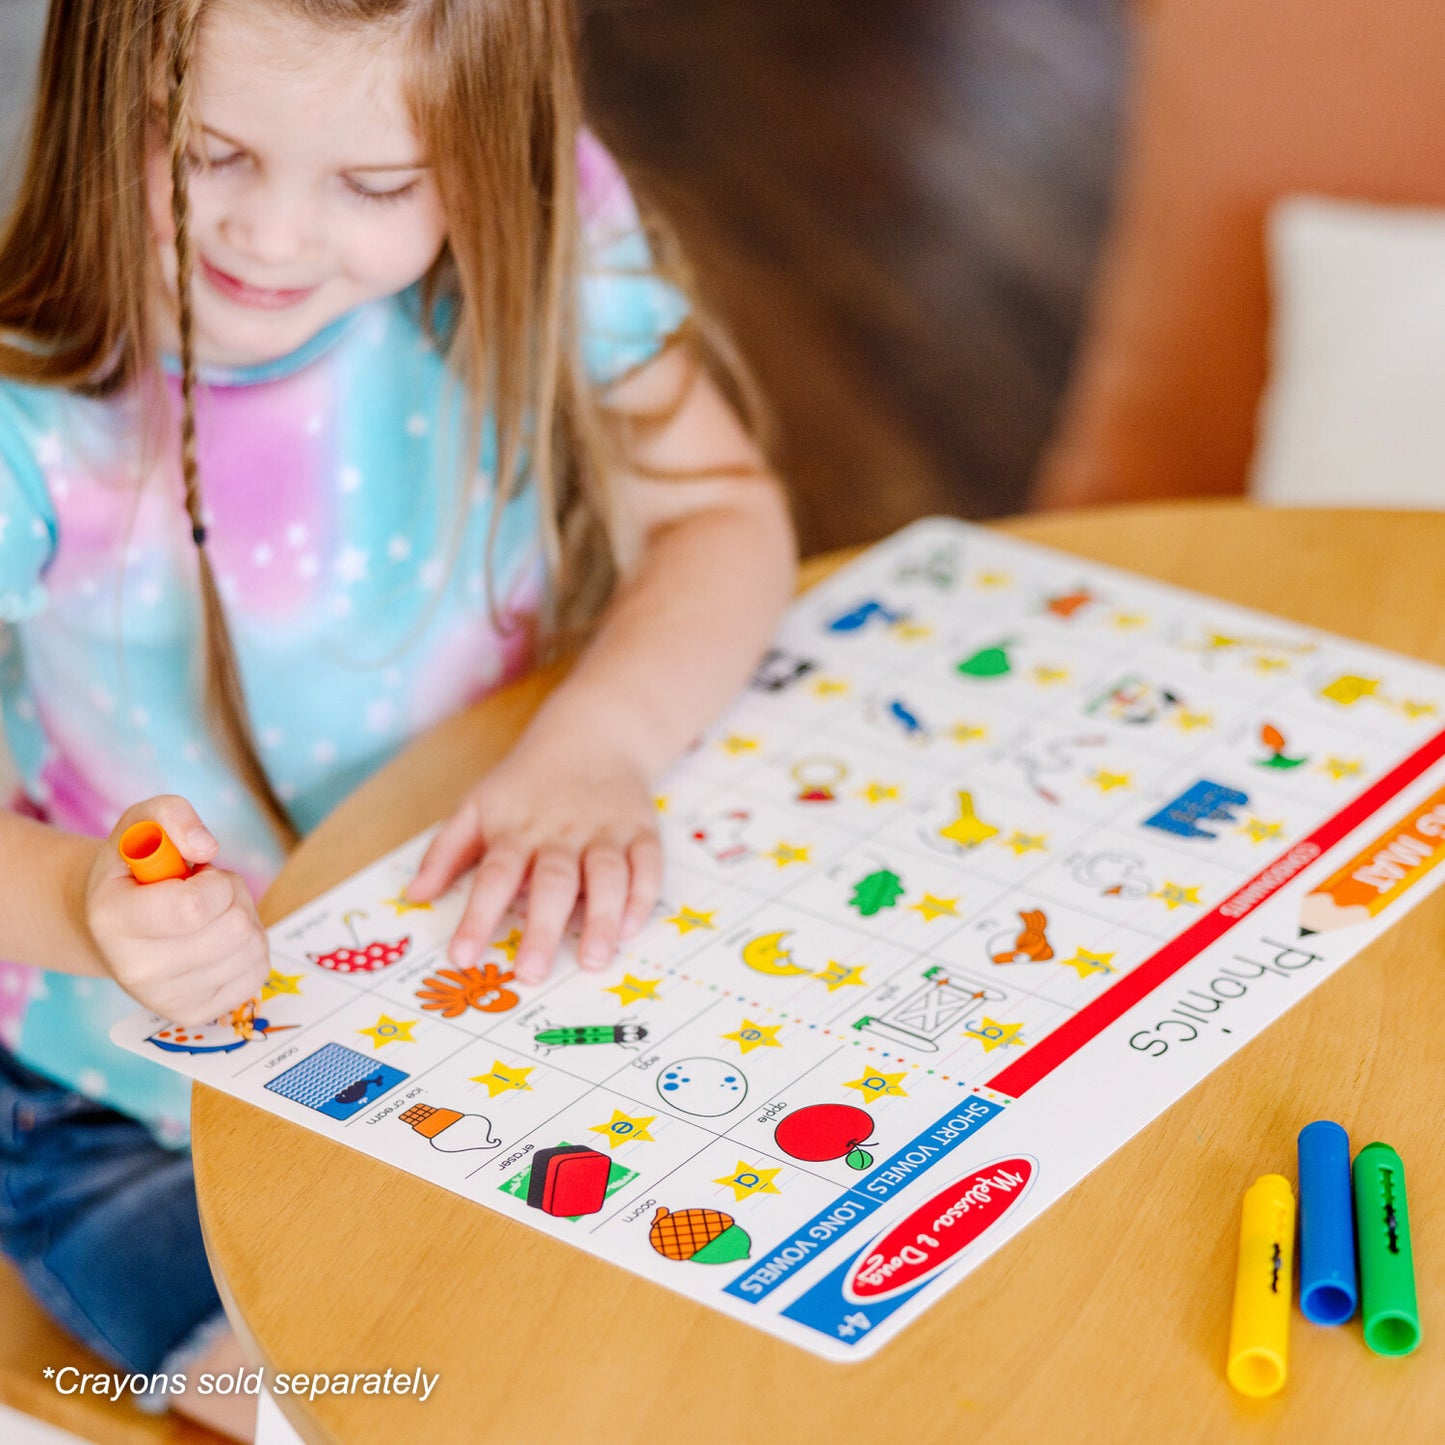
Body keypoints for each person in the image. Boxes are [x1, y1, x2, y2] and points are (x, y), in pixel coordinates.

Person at [0, 0, 795, 1435]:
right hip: (119, 1101)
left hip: (492, 1006)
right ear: (95, 94)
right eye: (205, 151)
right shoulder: (26, 409)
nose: (273, 237)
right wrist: (85, 903)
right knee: (383, 1407)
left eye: (376, 185)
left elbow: (717, 507)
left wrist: (598, 741)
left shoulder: (530, 228)